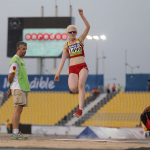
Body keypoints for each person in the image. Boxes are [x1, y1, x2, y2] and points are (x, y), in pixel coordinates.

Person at [54, 9, 90, 118]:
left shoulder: (80, 40)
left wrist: (82, 16)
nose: (73, 33)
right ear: (67, 34)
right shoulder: (66, 45)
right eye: (71, 32)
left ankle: (80, 109)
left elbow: (88, 27)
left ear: (76, 33)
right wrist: (57, 73)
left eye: (74, 31)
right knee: (73, 88)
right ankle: (79, 106)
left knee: (80, 85)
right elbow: (63, 60)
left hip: (82, 66)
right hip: (72, 68)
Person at [7, 41, 30, 140]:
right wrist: (11, 86)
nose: (25, 51)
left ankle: (16, 132)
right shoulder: (15, 60)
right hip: (18, 88)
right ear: (18, 49)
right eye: (23, 49)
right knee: (17, 109)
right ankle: (15, 132)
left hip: (21, 88)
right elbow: (10, 76)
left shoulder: (20, 60)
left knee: (19, 109)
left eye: (25, 49)